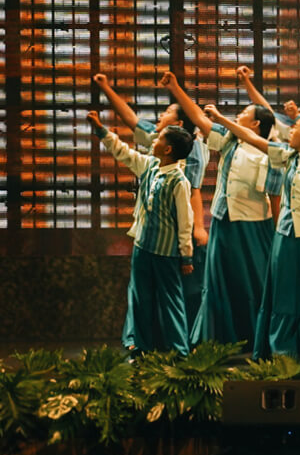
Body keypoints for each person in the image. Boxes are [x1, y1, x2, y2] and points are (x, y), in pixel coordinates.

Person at [206, 106, 300, 362]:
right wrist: (221, 120)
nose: (290, 133)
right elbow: (253, 138)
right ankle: (282, 349)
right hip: (285, 236)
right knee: (283, 294)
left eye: (296, 129)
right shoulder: (289, 157)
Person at [166, 76, 281, 349]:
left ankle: (257, 338)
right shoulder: (230, 141)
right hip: (223, 220)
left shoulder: (270, 155)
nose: (238, 115)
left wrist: (277, 234)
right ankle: (217, 339)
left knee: (253, 282)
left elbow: (275, 198)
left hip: (253, 226)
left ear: (255, 125)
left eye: (244, 113)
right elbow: (200, 119)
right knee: (218, 280)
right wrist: (175, 87)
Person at [94, 72, 210, 327]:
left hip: (175, 227)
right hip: (150, 229)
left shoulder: (190, 151)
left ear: (179, 124)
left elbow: (193, 190)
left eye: (167, 111)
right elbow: (131, 119)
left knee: (175, 289)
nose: (160, 116)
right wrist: (105, 87)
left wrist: (198, 227)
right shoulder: (159, 140)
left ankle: (177, 341)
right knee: (144, 289)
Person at [87, 110, 195, 355]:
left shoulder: (179, 181)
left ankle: (180, 350)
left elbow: (185, 221)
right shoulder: (150, 165)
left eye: (159, 140)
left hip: (166, 252)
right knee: (140, 298)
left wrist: (186, 255)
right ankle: (140, 346)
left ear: (168, 150)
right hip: (143, 247)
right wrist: (101, 130)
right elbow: (123, 152)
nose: (154, 141)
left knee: (171, 300)